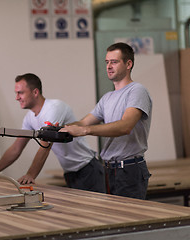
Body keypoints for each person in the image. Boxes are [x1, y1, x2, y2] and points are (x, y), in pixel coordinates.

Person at [0, 73, 106, 193]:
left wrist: (31, 174)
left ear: (35, 92)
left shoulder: (54, 108)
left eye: (20, 93)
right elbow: (15, 149)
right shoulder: (29, 118)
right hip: (70, 173)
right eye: (16, 93)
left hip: (89, 169)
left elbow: (45, 145)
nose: (17, 97)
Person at [59, 42, 152, 199]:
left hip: (129, 169)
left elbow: (125, 126)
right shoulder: (107, 98)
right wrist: (60, 129)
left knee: (128, 221)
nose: (109, 66)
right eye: (107, 62)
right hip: (109, 170)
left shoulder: (137, 91)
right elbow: (84, 122)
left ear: (128, 64)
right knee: (114, 219)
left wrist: (84, 131)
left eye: (114, 62)